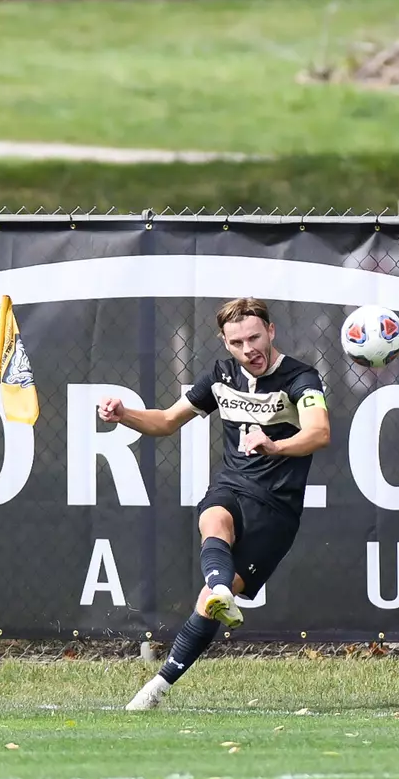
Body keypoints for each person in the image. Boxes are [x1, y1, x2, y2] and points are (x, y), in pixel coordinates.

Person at [97, 298, 331, 711]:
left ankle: (158, 688)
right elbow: (167, 421)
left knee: (206, 604)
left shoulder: (302, 378)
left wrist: (275, 445)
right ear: (225, 343)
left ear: (271, 332)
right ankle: (222, 587)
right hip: (233, 484)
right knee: (213, 518)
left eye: (255, 338)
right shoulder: (221, 377)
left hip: (275, 510)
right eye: (237, 342)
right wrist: (125, 414)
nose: (248, 349)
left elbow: (319, 432)